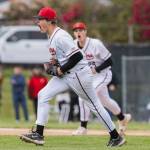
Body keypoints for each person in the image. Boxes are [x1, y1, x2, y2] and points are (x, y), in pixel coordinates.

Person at [20, 7, 126, 147]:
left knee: (94, 105)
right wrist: (56, 63)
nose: (37, 22)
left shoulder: (60, 36)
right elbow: (65, 58)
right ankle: (38, 134)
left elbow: (77, 56)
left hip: (79, 75)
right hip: (67, 75)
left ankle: (115, 137)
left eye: (40, 20)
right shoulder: (51, 36)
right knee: (43, 95)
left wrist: (59, 69)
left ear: (49, 21)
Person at [71, 22, 131, 136]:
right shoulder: (73, 45)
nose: (78, 32)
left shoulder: (95, 44)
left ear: (85, 32)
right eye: (76, 31)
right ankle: (123, 118)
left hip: (103, 74)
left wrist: (96, 69)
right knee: (105, 101)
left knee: (84, 96)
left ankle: (83, 128)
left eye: (81, 30)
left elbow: (110, 61)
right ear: (74, 33)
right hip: (90, 77)